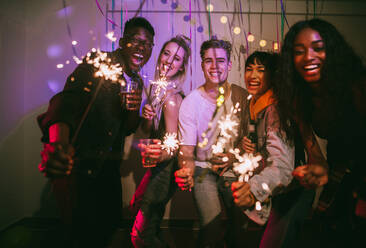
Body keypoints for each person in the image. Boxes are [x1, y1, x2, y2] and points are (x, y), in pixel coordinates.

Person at [37, 17, 155, 248]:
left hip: (109, 168)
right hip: (78, 167)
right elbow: (66, 101)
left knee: (108, 227)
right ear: (121, 42)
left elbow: (128, 127)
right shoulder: (99, 63)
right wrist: (58, 143)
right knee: (79, 236)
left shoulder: (137, 82)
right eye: (135, 40)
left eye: (148, 43)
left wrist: (133, 111)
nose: (142, 47)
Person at [276, 18, 366, 247]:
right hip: (341, 171)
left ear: (332, 51)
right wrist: (320, 169)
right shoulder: (298, 98)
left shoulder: (356, 87)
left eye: (318, 48)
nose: (308, 57)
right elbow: (315, 153)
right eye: (299, 51)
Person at [175, 38, 253, 247]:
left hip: (235, 169)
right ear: (202, 65)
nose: (214, 66)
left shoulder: (242, 97)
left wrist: (233, 156)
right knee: (211, 229)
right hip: (203, 170)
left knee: (242, 230)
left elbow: (252, 142)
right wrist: (187, 169)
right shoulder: (191, 102)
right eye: (208, 60)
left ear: (229, 65)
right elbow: (187, 151)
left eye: (220, 60)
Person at [129, 35, 191, 247]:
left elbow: (173, 147)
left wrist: (159, 153)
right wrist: (146, 120)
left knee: (140, 236)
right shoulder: (157, 90)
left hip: (165, 170)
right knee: (150, 227)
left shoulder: (172, 98)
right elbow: (146, 132)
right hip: (156, 168)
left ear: (181, 67)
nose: (168, 60)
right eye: (167, 53)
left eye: (176, 59)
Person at [230, 51, 295, 246]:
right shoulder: (254, 105)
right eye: (249, 69)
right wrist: (246, 148)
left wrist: (252, 189)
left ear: (272, 75)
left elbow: (282, 165)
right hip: (274, 190)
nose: (253, 75)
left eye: (260, 70)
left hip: (291, 191)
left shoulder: (274, 109)